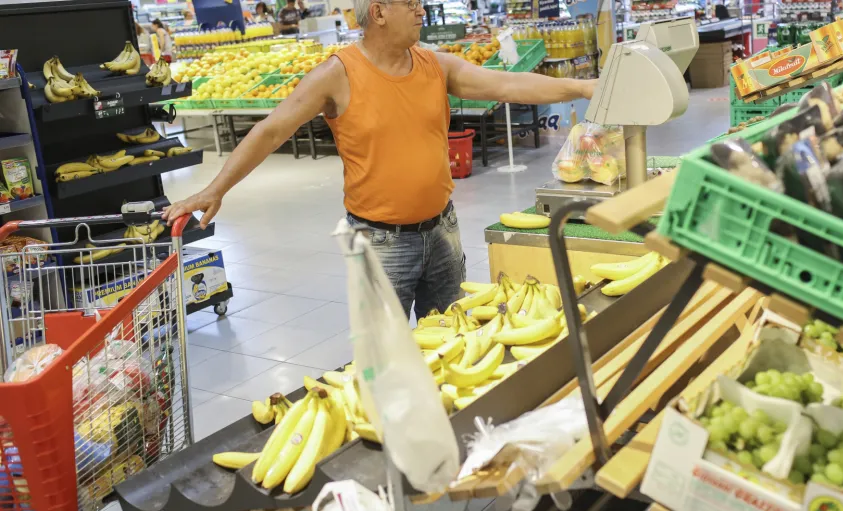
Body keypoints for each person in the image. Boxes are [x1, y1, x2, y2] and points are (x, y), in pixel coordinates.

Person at [164, 0, 597, 319]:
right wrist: (214, 189)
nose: (421, 9)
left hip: (443, 233)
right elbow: (271, 130)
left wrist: (581, 89)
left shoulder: (435, 65)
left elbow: (507, 85)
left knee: (454, 336)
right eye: (410, 3)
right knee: (384, 355)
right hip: (380, 244)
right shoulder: (338, 74)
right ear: (379, 11)